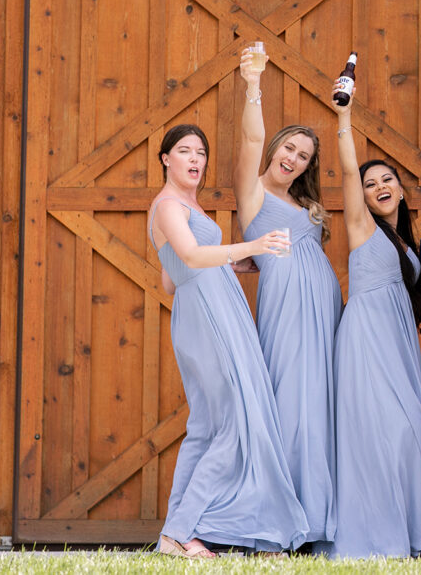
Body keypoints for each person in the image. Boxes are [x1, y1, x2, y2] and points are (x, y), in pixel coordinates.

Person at [148, 124, 308, 558]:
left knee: (204, 428)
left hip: (207, 307)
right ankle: (182, 530)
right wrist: (249, 245)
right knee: (234, 422)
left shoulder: (186, 206)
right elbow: (193, 257)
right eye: (184, 151)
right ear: (166, 158)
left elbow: (170, 277)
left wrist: (232, 268)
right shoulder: (167, 205)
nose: (195, 159)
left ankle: (172, 534)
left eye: (200, 152)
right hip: (207, 317)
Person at [326, 80, 421, 559]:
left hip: (398, 340)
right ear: (361, 198)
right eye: (370, 184)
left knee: (407, 432)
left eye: (387, 180)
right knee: (379, 432)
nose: (379, 187)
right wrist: (344, 119)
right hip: (366, 337)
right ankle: (376, 535)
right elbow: (347, 172)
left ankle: (405, 528)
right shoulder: (362, 226)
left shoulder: (404, 242)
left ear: (401, 190)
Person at [233, 48, 343, 551]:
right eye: (289, 148)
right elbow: (251, 136)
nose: (293, 159)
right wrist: (253, 83)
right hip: (286, 306)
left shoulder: (306, 203)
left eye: (303, 156)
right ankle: (284, 516)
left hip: (324, 304)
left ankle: (318, 515)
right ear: (275, 146)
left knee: (319, 403)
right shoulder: (253, 190)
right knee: (289, 403)